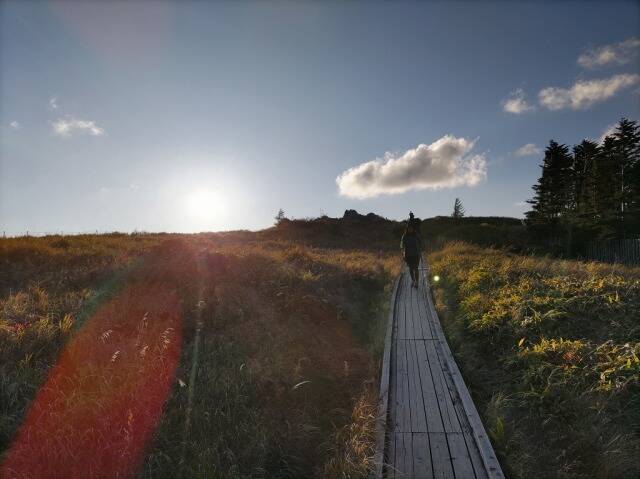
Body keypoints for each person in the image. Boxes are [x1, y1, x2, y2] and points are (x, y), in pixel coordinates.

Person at [401, 222, 422, 287]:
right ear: (407, 229)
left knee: (416, 268)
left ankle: (417, 282)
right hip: (408, 255)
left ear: (413, 229)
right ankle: (413, 281)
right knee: (410, 269)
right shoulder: (404, 236)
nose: (410, 229)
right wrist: (402, 249)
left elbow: (421, 242)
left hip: (416, 255)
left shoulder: (416, 235)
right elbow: (401, 244)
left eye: (411, 228)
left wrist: (420, 250)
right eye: (409, 228)